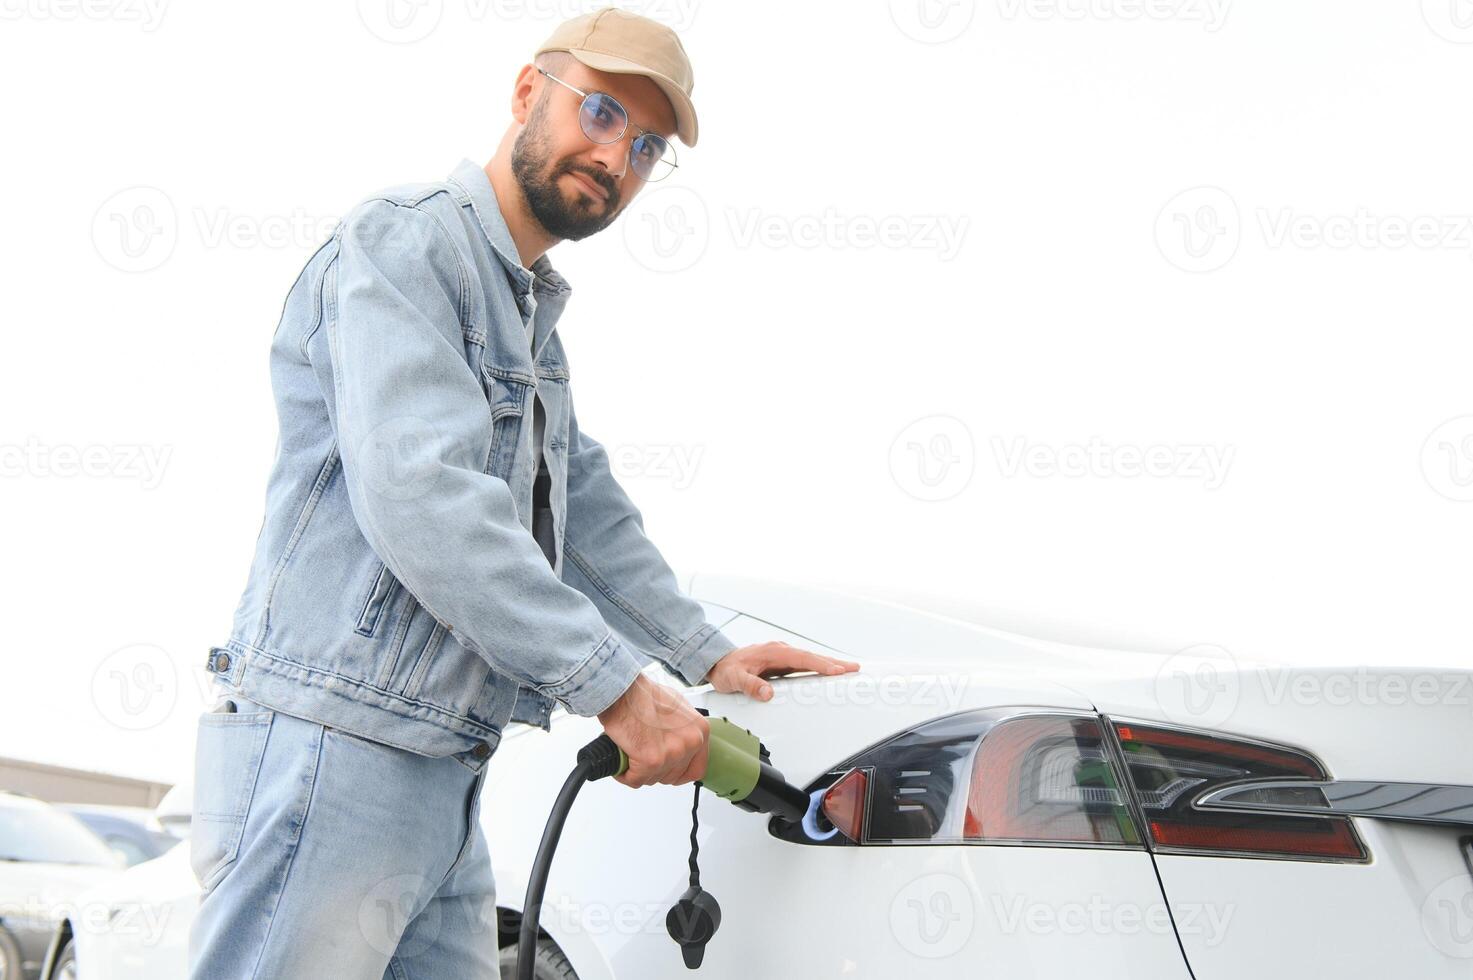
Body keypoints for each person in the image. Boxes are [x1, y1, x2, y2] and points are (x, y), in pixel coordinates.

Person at [185, 7, 858, 978]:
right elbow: (421, 494)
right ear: (524, 94)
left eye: (646, 145)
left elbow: (585, 515)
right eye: (599, 111)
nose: (616, 154)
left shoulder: (532, 328)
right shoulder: (405, 246)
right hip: (333, 748)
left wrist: (702, 648)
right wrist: (615, 687)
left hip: (448, 779)